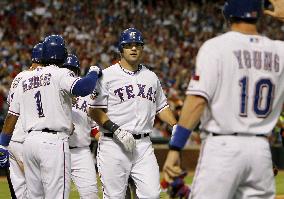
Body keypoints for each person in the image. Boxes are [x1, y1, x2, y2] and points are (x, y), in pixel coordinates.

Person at [163, 0, 284, 198]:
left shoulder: (216, 47)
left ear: (228, 14)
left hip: (223, 148)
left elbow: (197, 102)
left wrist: (176, 147)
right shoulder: (279, 51)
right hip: (261, 152)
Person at [0, 34, 102, 199]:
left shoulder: (25, 78)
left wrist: (3, 145)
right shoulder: (60, 73)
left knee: (34, 197)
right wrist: (93, 72)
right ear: (62, 54)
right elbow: (84, 88)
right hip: (53, 142)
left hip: (30, 143)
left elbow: (12, 115)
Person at [88, 27, 177, 198]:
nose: (134, 48)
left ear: (143, 48)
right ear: (121, 49)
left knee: (152, 195)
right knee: (115, 196)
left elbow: (162, 107)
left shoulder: (151, 77)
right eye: (129, 45)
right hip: (113, 144)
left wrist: (175, 125)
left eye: (138, 45)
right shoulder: (107, 75)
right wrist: (116, 129)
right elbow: (93, 110)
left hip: (143, 146)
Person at [6, 42, 43, 199]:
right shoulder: (38, 77)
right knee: (38, 190)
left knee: (20, 191)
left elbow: (10, 103)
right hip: (26, 139)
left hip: (12, 139)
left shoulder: (19, 76)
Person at [62, 54, 99, 199]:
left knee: (91, 194)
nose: (70, 72)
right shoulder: (54, 92)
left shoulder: (88, 95)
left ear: (78, 72)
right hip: (58, 150)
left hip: (81, 152)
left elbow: (95, 127)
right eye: (66, 68)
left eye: (73, 69)